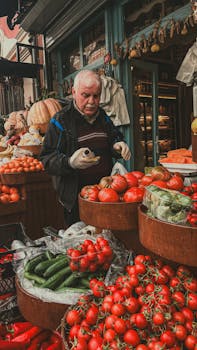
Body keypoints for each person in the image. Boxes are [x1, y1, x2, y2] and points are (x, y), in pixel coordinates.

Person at [39, 70, 131, 226]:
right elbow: (46, 159)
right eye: (85, 95)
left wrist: (117, 145)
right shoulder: (61, 120)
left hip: (105, 194)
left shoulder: (102, 116)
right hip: (76, 200)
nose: (92, 101)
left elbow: (113, 137)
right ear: (74, 92)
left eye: (96, 96)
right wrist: (69, 163)